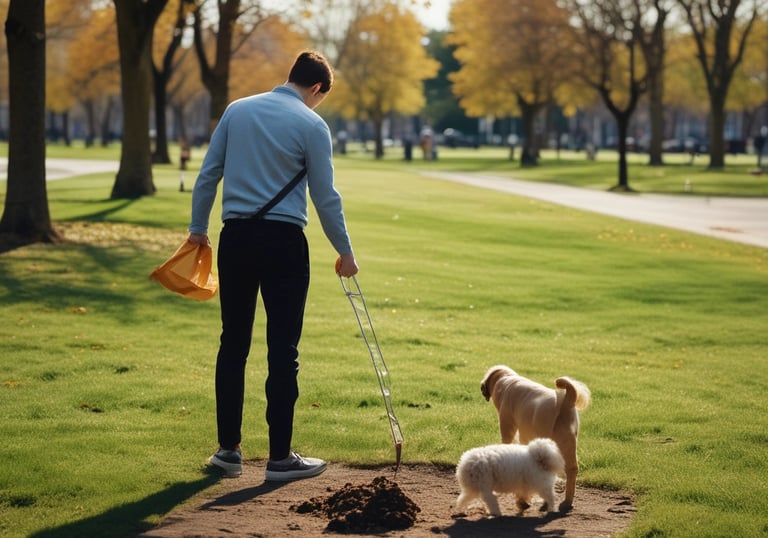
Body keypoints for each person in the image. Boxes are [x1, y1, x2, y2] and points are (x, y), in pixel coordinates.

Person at [187, 50, 359, 481]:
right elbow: (325, 196)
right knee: (283, 350)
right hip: (284, 243)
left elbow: (208, 175)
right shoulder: (312, 125)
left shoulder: (237, 110)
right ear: (316, 88)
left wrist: (197, 230)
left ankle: (228, 451)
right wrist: (345, 251)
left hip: (235, 237)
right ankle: (280, 458)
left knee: (233, 345)